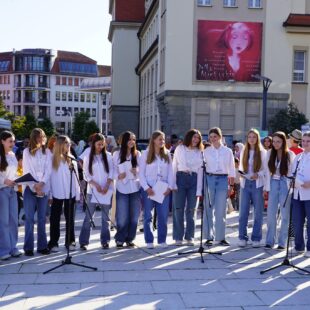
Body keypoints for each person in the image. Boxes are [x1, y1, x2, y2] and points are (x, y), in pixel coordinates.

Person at [139, 131, 174, 249]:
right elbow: (141, 174)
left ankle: (162, 240)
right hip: (149, 188)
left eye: (163, 139)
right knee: (148, 215)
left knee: (163, 216)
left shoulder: (167, 154)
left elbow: (171, 172)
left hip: (163, 189)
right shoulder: (145, 154)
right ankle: (149, 240)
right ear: (153, 140)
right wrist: (146, 188)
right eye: (160, 139)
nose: (162, 141)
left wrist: (170, 187)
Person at [79, 133, 114, 250]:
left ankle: (105, 241)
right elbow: (86, 174)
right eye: (98, 144)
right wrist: (96, 185)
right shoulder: (88, 156)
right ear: (93, 144)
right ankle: (84, 242)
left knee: (105, 217)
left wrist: (106, 185)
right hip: (92, 191)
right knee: (88, 217)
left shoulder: (109, 156)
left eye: (102, 144)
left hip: (106, 190)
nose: (100, 147)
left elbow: (112, 172)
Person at [203, 127, 235, 246]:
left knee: (221, 210)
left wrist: (231, 185)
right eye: (210, 137)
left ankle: (220, 237)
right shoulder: (206, 151)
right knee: (208, 208)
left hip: (222, 179)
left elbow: (232, 169)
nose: (212, 139)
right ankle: (208, 236)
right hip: (209, 178)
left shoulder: (227, 151)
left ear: (220, 137)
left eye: (214, 137)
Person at [23, 128, 52, 256]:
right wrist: (35, 186)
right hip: (30, 189)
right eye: (39, 137)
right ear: (34, 138)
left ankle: (42, 246)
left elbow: (49, 170)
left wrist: (42, 185)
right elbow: (27, 171)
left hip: (43, 188)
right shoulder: (26, 152)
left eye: (43, 137)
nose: (42, 139)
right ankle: (28, 247)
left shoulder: (48, 152)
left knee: (42, 218)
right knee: (29, 218)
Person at [48, 136, 80, 251]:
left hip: (70, 193)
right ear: (60, 144)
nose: (68, 145)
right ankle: (53, 243)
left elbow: (76, 179)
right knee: (54, 219)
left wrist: (78, 193)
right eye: (66, 143)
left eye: (69, 143)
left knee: (70, 218)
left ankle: (70, 241)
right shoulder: (51, 159)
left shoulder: (72, 159)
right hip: (57, 193)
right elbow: (49, 178)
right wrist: (50, 194)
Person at [264, 132, 295, 250]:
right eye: (274, 141)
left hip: (284, 183)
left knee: (285, 214)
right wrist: (266, 188)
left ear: (283, 142)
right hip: (273, 183)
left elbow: (292, 172)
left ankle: (282, 242)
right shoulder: (269, 153)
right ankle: (269, 241)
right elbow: (267, 172)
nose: (276, 144)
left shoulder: (290, 154)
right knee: (271, 214)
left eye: (278, 141)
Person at [172, 129, 203, 246]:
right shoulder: (180, 149)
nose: (196, 140)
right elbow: (174, 166)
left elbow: (200, 171)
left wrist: (199, 189)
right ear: (189, 137)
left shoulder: (200, 152)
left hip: (194, 179)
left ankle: (190, 236)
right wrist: (173, 183)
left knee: (191, 209)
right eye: (194, 137)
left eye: (198, 138)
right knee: (178, 209)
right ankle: (178, 236)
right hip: (180, 177)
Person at [238, 129, 266, 247]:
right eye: (249, 137)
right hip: (245, 183)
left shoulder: (263, 152)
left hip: (257, 184)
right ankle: (242, 237)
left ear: (257, 138)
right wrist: (240, 173)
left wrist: (258, 175)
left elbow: (266, 170)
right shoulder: (244, 150)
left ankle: (256, 238)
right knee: (243, 212)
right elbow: (240, 167)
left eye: (254, 137)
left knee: (258, 212)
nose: (252, 139)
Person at [112, 131, 141, 248]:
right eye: (129, 139)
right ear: (124, 141)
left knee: (134, 217)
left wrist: (136, 171)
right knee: (122, 217)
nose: (132, 142)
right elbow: (112, 170)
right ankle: (120, 239)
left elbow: (142, 170)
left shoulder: (138, 154)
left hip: (135, 188)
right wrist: (118, 176)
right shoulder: (116, 154)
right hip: (122, 188)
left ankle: (130, 238)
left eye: (134, 140)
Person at [0, 131, 21, 260]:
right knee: (4, 221)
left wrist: (19, 179)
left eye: (13, 141)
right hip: (2, 190)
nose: (13, 144)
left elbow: (14, 173)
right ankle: (3, 250)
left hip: (13, 191)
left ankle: (13, 247)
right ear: (2, 141)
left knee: (14, 220)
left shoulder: (13, 155)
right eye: (10, 141)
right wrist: (4, 181)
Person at [291, 131, 310, 257]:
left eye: (308, 141)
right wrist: (292, 182)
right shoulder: (298, 157)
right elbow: (292, 174)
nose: (305, 143)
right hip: (297, 194)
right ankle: (299, 246)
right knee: (297, 222)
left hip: (309, 195)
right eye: (303, 141)